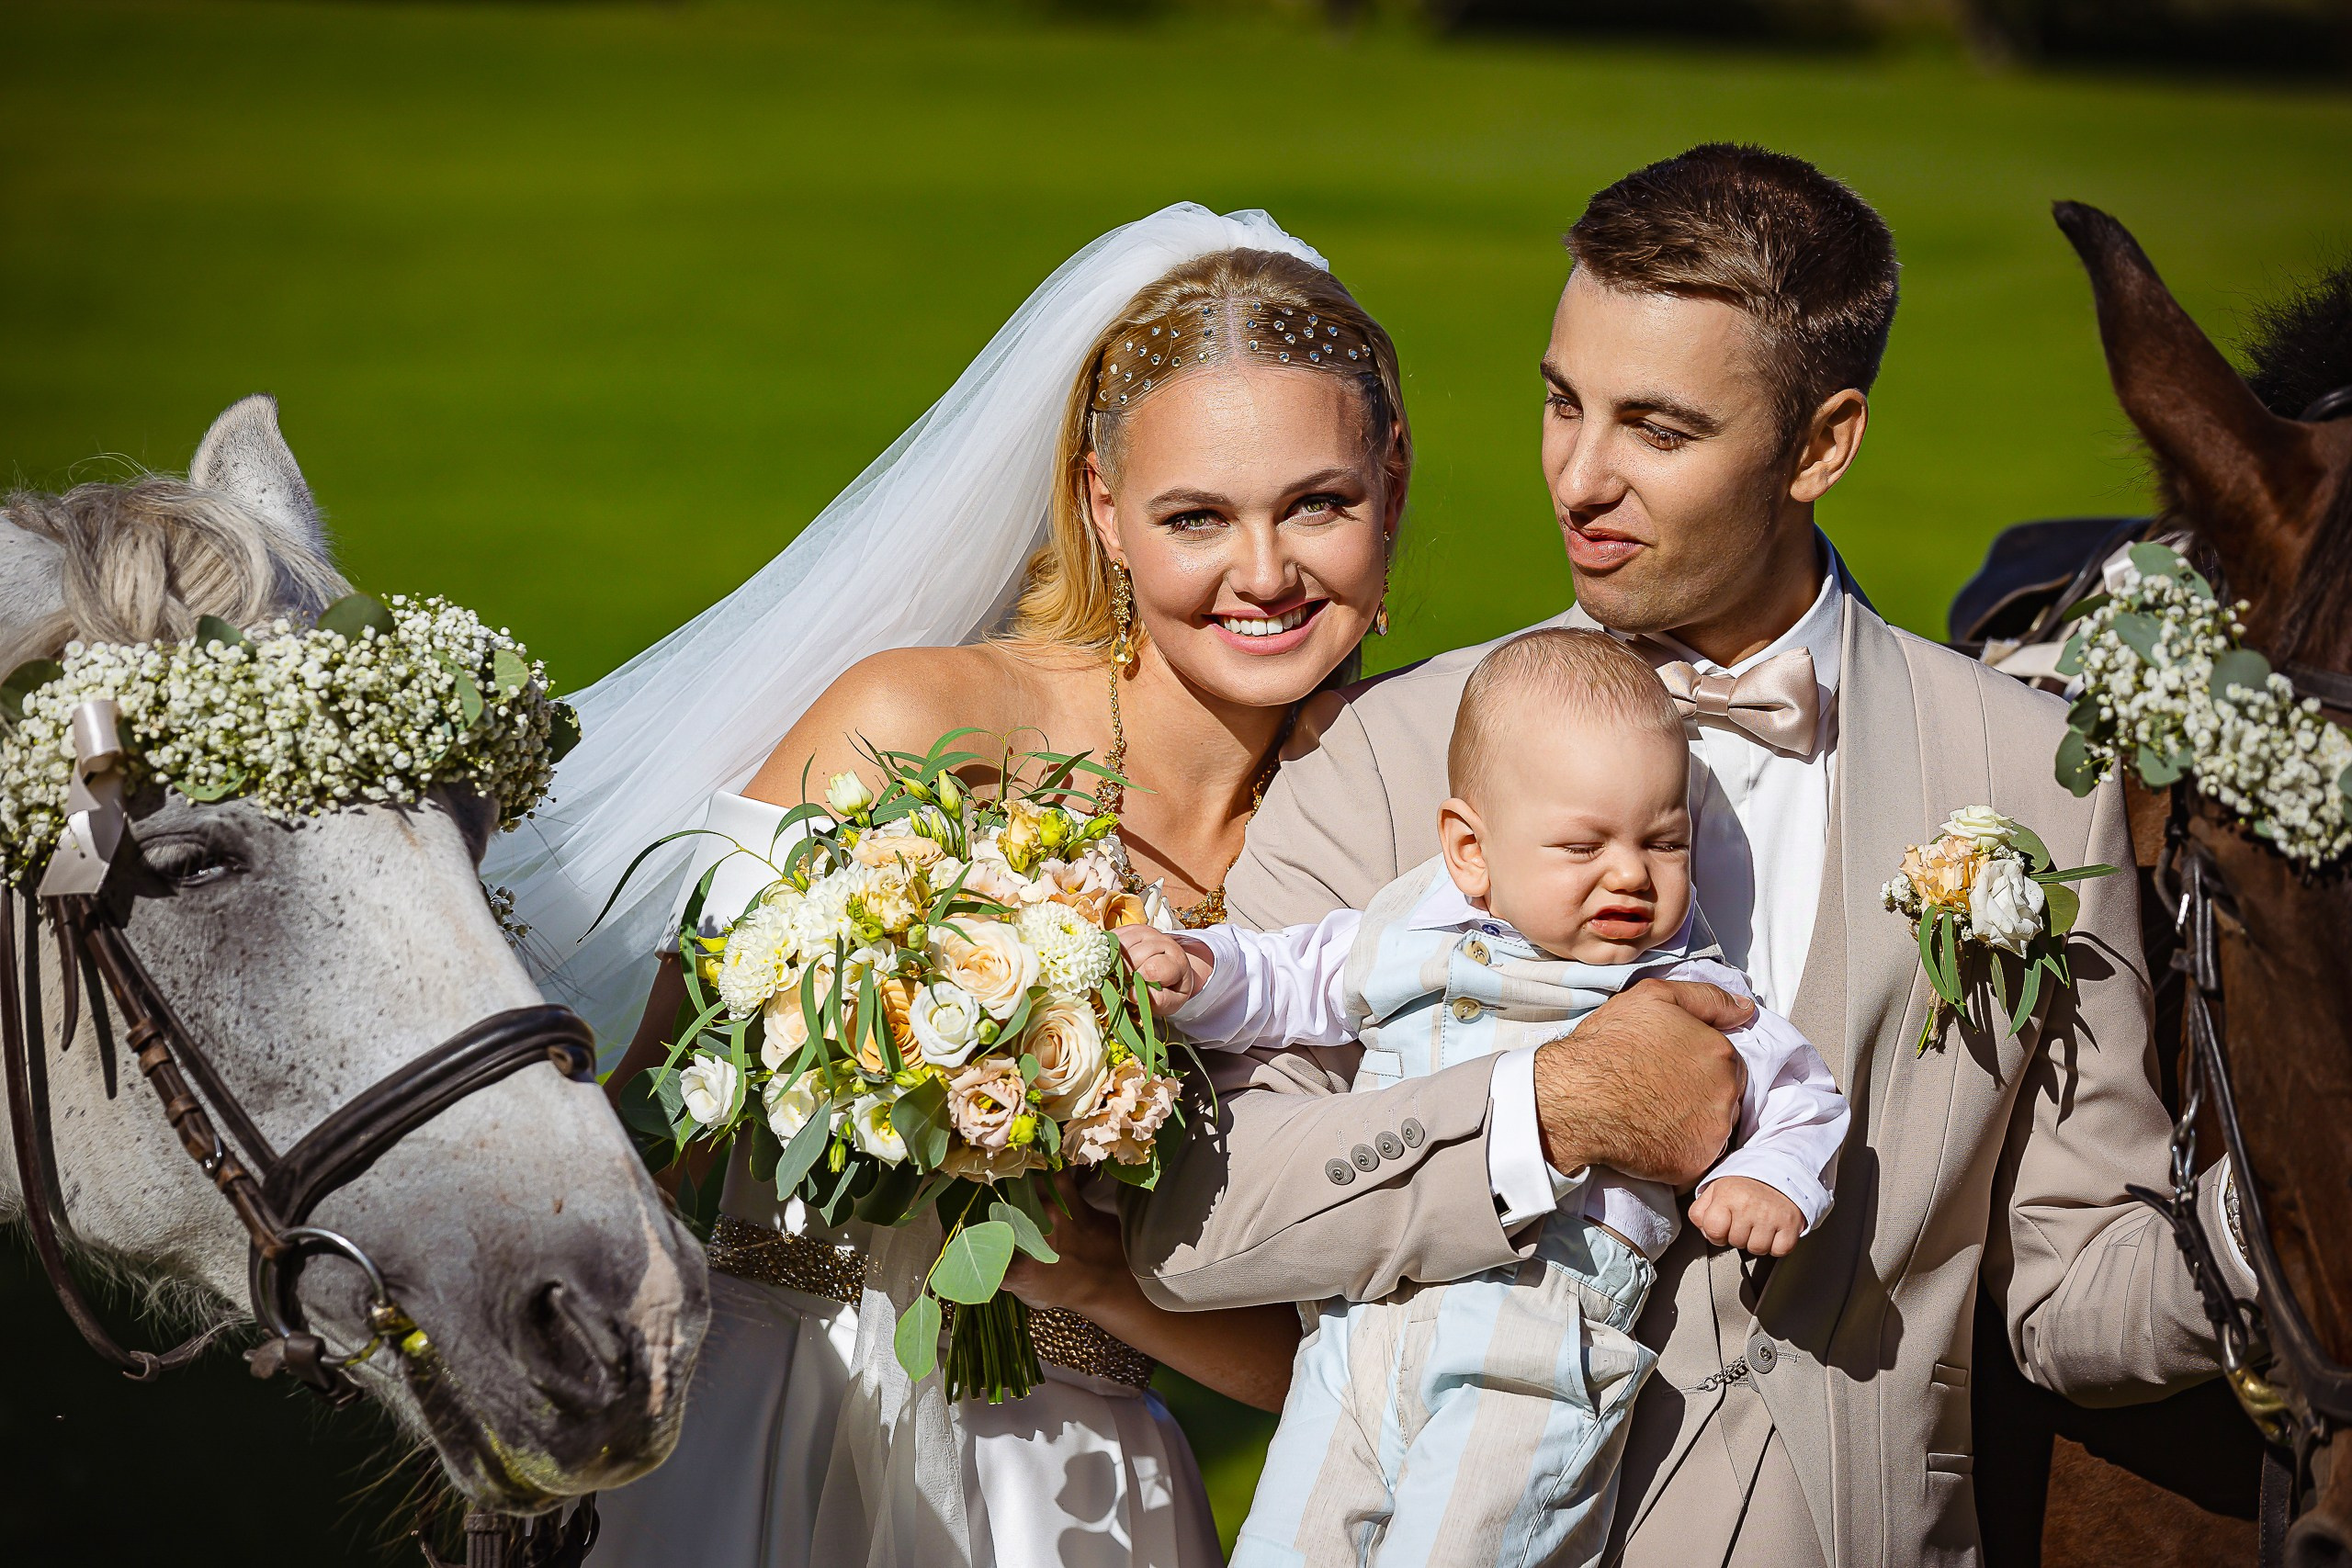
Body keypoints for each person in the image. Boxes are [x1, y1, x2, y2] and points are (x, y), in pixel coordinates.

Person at [1124, 145, 2256, 1567]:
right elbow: (1202, 1224)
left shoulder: (2024, 770)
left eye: (1656, 428)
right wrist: (1552, 1109)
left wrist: (2263, 1231)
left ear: (1821, 444)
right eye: (1561, 401)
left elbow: (2073, 1284)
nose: (1578, 476)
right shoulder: (1391, 752)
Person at [488, 203, 1412, 1568]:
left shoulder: (1398, 834)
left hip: (1079, 1497)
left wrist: (1100, 1277)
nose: (1263, 572)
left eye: (1318, 503)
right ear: (1104, 510)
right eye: (1196, 515)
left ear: (1392, 480)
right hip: (755, 1440)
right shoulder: (919, 722)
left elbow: (1350, 1362)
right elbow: (648, 1122)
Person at [1123, 627, 1848, 1568]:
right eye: (1582, 845)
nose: (1629, 872)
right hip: (1357, 1332)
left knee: (1464, 1544)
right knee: (1286, 1542)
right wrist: (1199, 970)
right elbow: (1290, 979)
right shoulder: (1409, 925)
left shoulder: (1686, 990)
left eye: (1662, 841)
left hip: (1535, 1344)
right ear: (1470, 848)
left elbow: (1801, 1092)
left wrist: (1772, 1178)